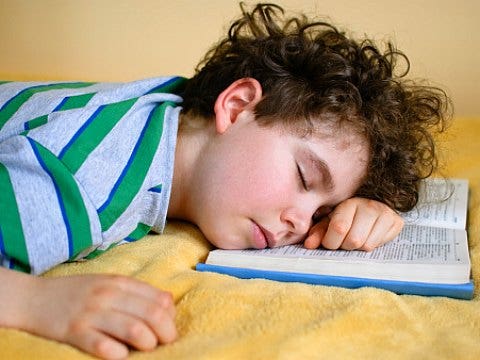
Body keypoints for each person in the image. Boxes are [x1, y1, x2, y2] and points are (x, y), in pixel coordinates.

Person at [0, 3, 449, 360]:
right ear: (235, 107)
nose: (298, 222)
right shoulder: (86, 180)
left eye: (321, 212)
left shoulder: (172, 109)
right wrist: (32, 303)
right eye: (304, 176)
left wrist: (357, 211)